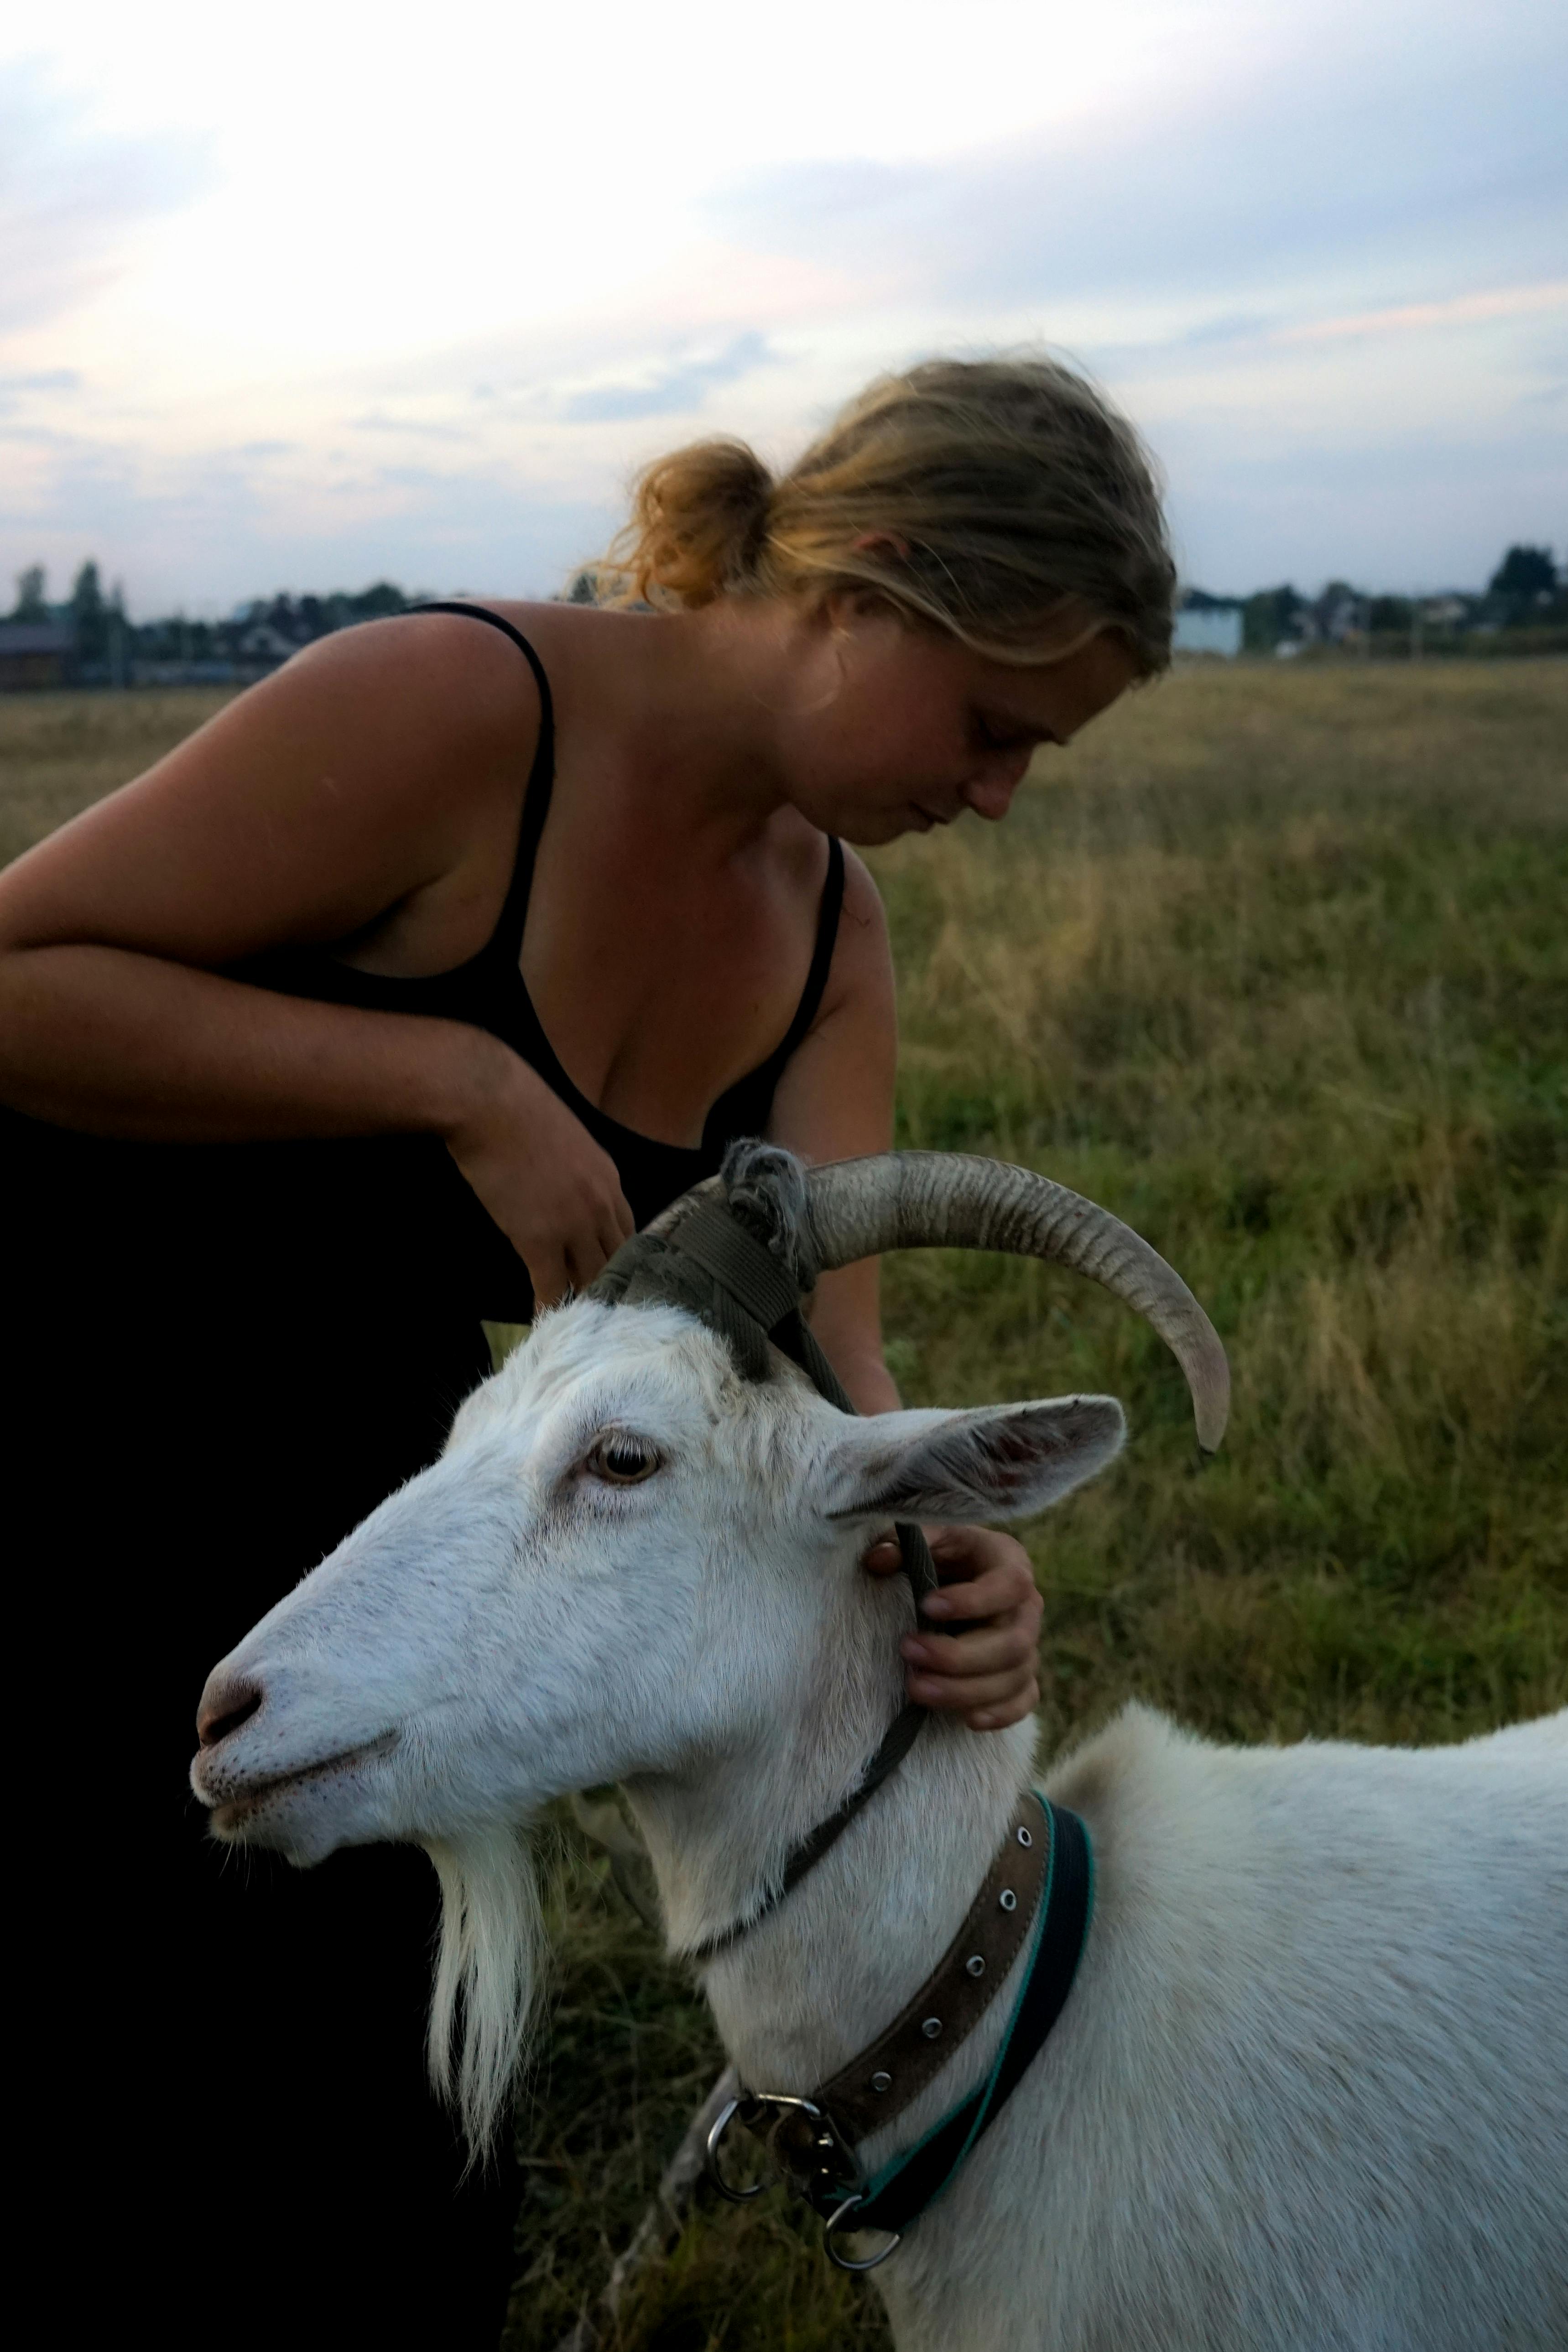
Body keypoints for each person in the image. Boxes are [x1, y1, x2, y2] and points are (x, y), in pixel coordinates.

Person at [0, 356, 1173, 2343]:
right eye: (992, 726)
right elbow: (18, 971)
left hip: (386, 1441)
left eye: (1033, 755)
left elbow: (837, 1359)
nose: (996, 794)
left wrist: (943, 1545)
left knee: (382, 2081)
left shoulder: (829, 939)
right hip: (78, 1355)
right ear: (868, 584)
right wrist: (449, 1080)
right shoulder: (458, 707)